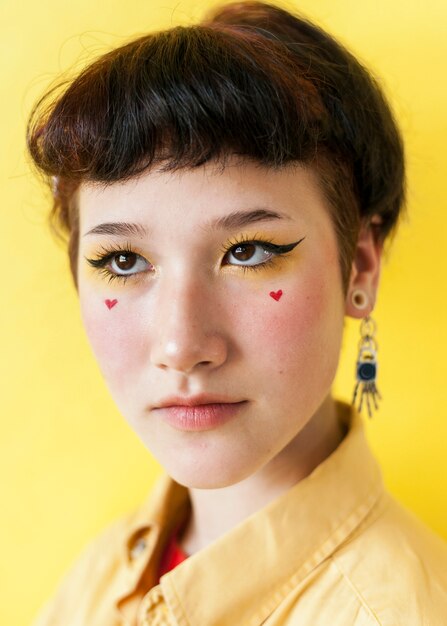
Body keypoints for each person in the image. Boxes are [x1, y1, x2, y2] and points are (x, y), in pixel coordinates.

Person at [26, 1, 447, 624]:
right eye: (121, 261)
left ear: (359, 267)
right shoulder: (103, 572)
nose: (181, 343)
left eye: (247, 252)